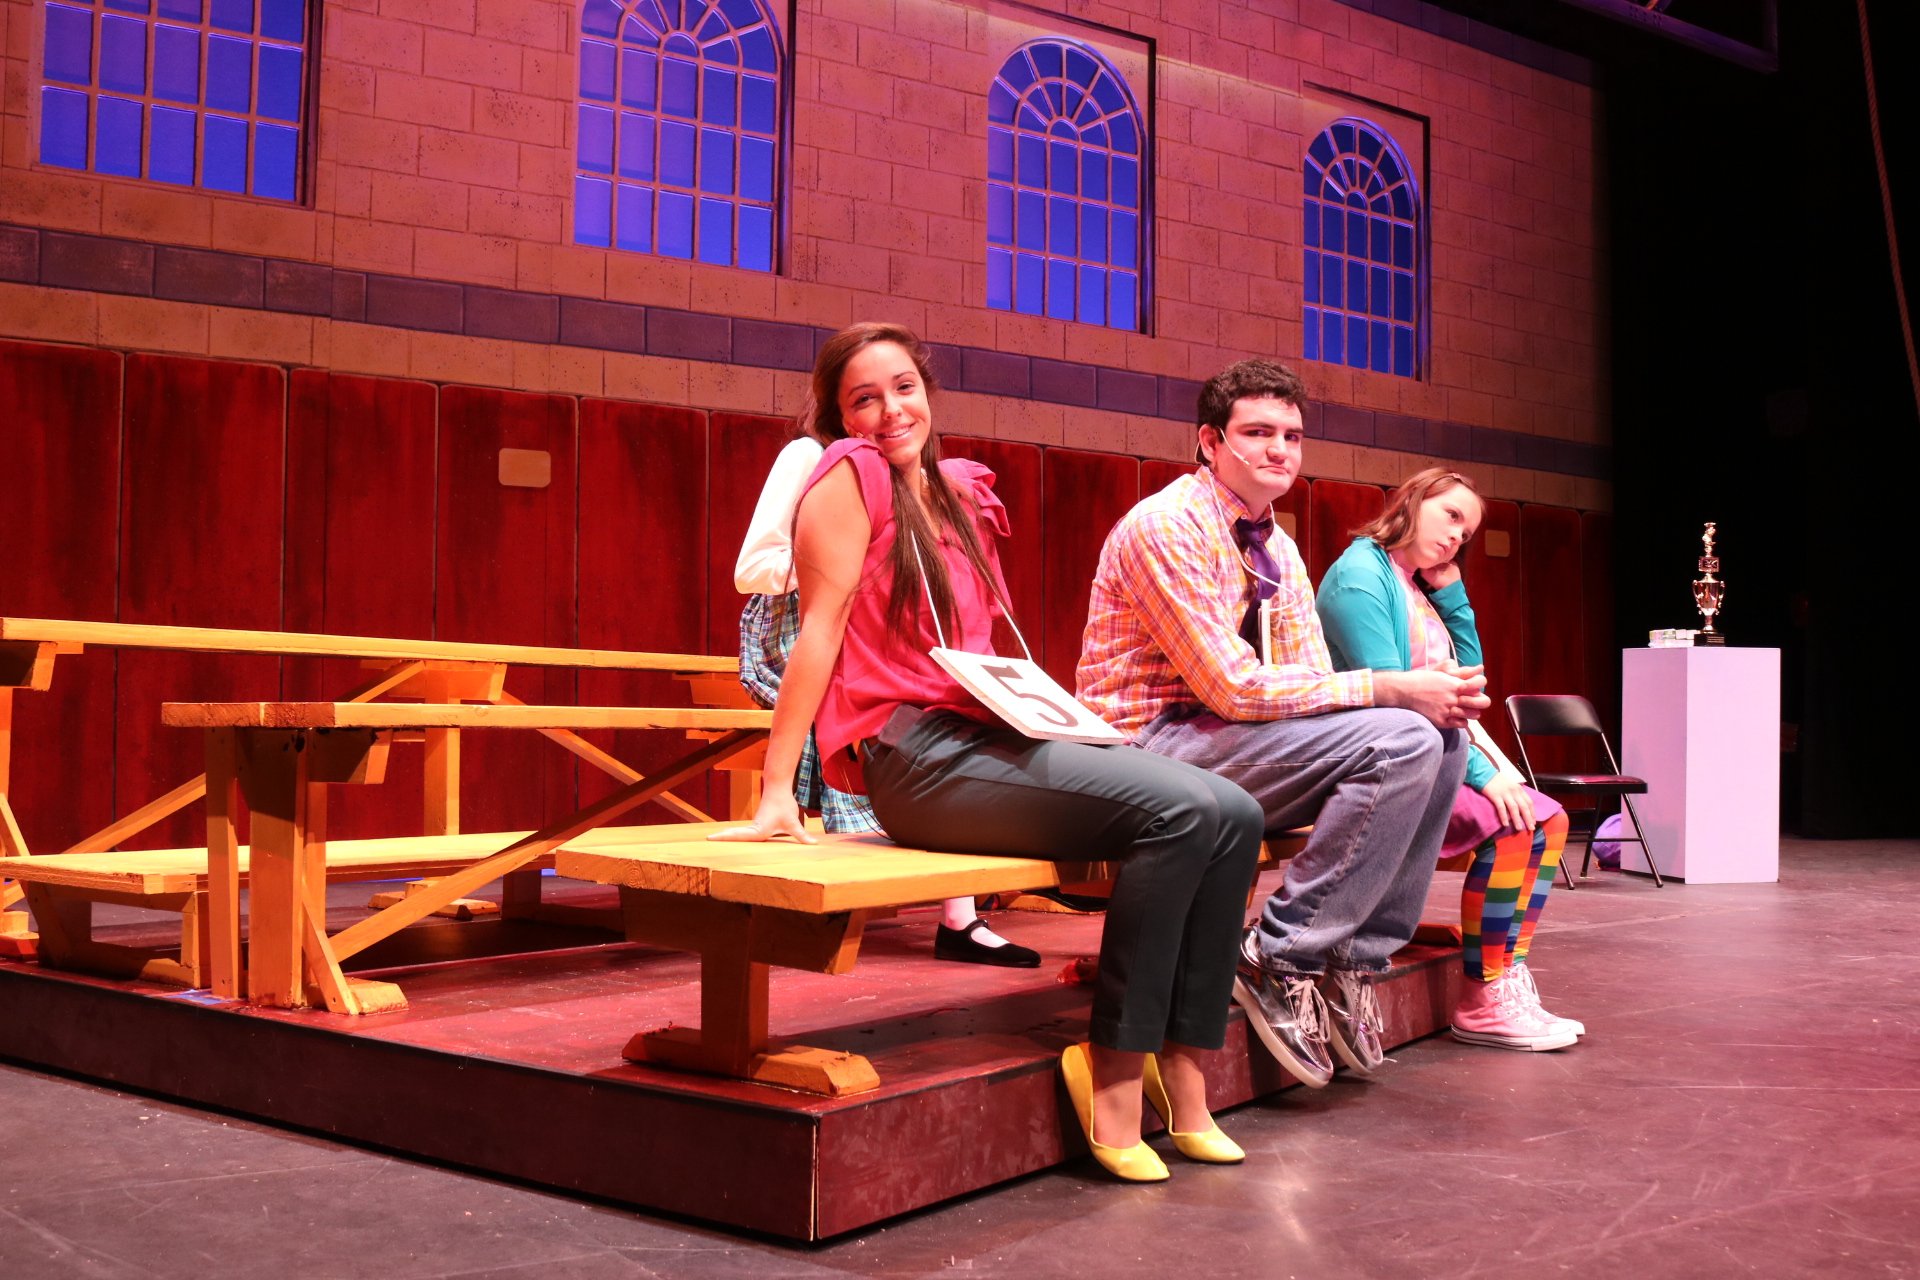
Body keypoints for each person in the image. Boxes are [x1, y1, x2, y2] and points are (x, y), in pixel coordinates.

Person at [716, 322, 1264, 1182]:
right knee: (1182, 808)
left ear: (927, 390)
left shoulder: (958, 493)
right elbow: (817, 633)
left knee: (1234, 809)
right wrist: (778, 789)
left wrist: (1061, 718)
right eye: (864, 397)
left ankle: (1185, 1063)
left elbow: (986, 646)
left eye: (903, 386)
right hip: (911, 757)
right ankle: (1114, 1065)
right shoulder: (848, 478)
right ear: (840, 414)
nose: (890, 409)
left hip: (989, 736)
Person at [1077, 358, 1483, 1090]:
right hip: (1143, 748)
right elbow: (1232, 688)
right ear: (1209, 442)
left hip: (1221, 740)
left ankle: (1352, 957)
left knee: (1442, 737)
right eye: (1257, 433)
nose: (1279, 450)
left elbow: (1308, 682)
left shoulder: (1276, 545)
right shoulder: (1168, 526)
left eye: (1291, 436)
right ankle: (1279, 953)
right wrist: (1389, 687)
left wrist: (1428, 694)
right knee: (1401, 733)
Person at [735, 427, 1038, 967]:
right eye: (865, 397)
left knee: (949, 711)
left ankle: (959, 919)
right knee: (888, 714)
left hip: (885, 628)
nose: (885, 414)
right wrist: (844, 565)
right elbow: (751, 569)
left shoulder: (912, 477)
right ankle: (820, 895)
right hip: (807, 631)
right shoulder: (809, 457)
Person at [1316, 468, 1581, 1050]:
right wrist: (1486, 778)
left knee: (1549, 819)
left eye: (1468, 532)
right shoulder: (1363, 577)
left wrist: (1453, 595)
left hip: (1434, 750)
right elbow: (1398, 703)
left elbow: (1469, 678)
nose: (1458, 536)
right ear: (1412, 501)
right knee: (1520, 825)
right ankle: (1483, 1000)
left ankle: (1502, 975)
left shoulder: (1410, 581)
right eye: (1452, 516)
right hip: (1381, 765)